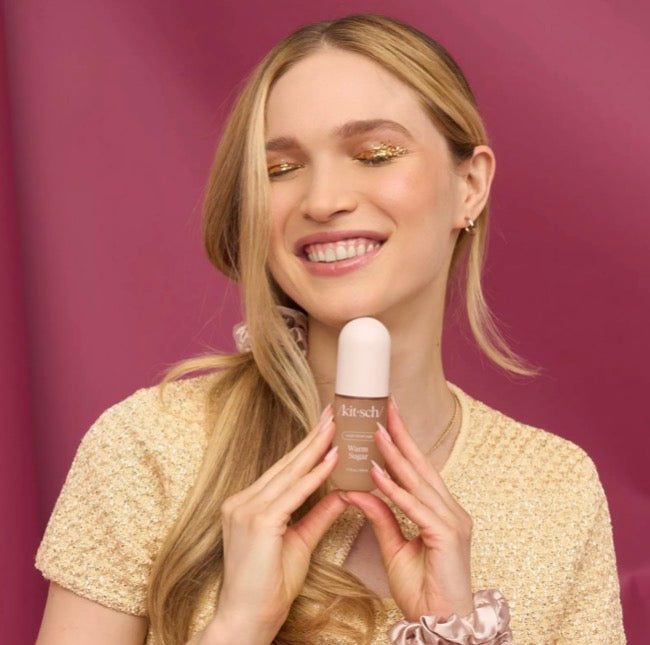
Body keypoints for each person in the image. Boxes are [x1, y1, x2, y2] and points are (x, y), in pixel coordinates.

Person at [35, 14, 625, 645]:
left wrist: (457, 628)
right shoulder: (150, 447)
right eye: (280, 169)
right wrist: (237, 628)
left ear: (470, 186)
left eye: (375, 155)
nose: (322, 200)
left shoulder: (555, 490)